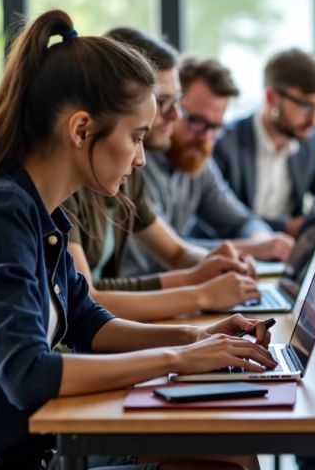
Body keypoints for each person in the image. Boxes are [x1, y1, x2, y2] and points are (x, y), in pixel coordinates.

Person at [0, 10, 276, 469]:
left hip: (29, 441)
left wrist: (198, 336)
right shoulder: (2, 210)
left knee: (229, 449)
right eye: (136, 137)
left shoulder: (43, 210)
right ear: (80, 130)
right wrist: (179, 357)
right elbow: (26, 374)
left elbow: (87, 322)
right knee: (222, 460)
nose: (140, 160)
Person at [59, 27, 260, 322]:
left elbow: (176, 253)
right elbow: (87, 301)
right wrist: (199, 293)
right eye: (163, 101)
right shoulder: (63, 186)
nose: (175, 115)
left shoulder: (126, 171)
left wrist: (212, 266)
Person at [124, 56, 294, 277]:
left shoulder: (197, 160)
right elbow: (162, 254)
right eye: (196, 121)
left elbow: (242, 220)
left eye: (215, 127)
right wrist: (246, 249)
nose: (205, 137)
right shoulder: (132, 164)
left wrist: (262, 240)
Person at [213, 48, 315, 236]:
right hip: (242, 253)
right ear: (272, 97)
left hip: (289, 256)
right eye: (306, 106)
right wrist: (283, 227)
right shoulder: (225, 143)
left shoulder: (308, 141)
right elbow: (221, 219)